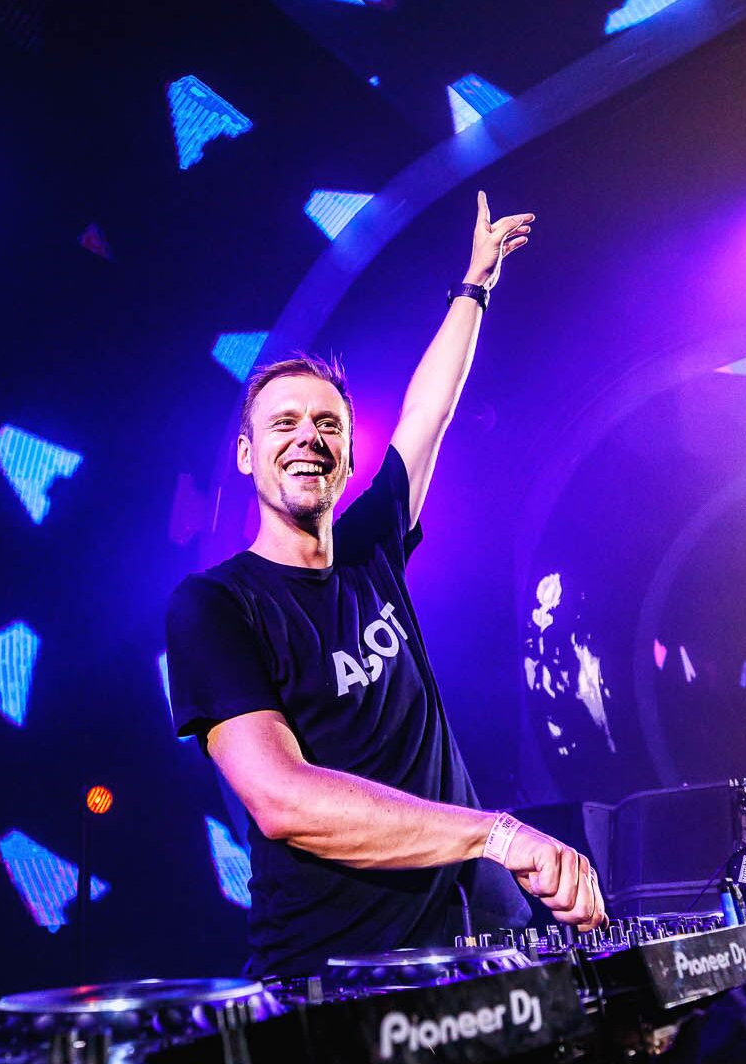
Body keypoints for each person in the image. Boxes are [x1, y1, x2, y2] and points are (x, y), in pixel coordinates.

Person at [165, 193, 608, 979]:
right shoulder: (216, 606)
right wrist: (494, 833)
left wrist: (474, 287)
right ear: (246, 455)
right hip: (341, 973)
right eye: (284, 424)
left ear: (345, 455)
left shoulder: (370, 548)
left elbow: (426, 415)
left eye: (328, 424)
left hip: (482, 941)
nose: (308, 437)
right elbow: (281, 799)